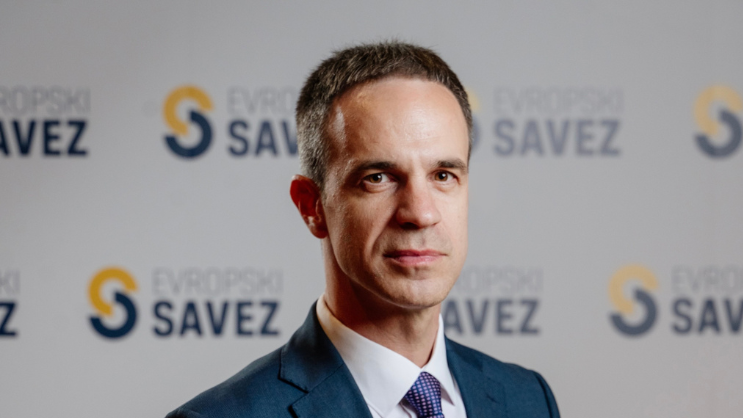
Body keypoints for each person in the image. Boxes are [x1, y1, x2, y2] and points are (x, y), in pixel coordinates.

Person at [166, 41, 560, 418]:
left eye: (443, 175)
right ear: (311, 206)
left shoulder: (528, 399)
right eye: (377, 178)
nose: (421, 213)